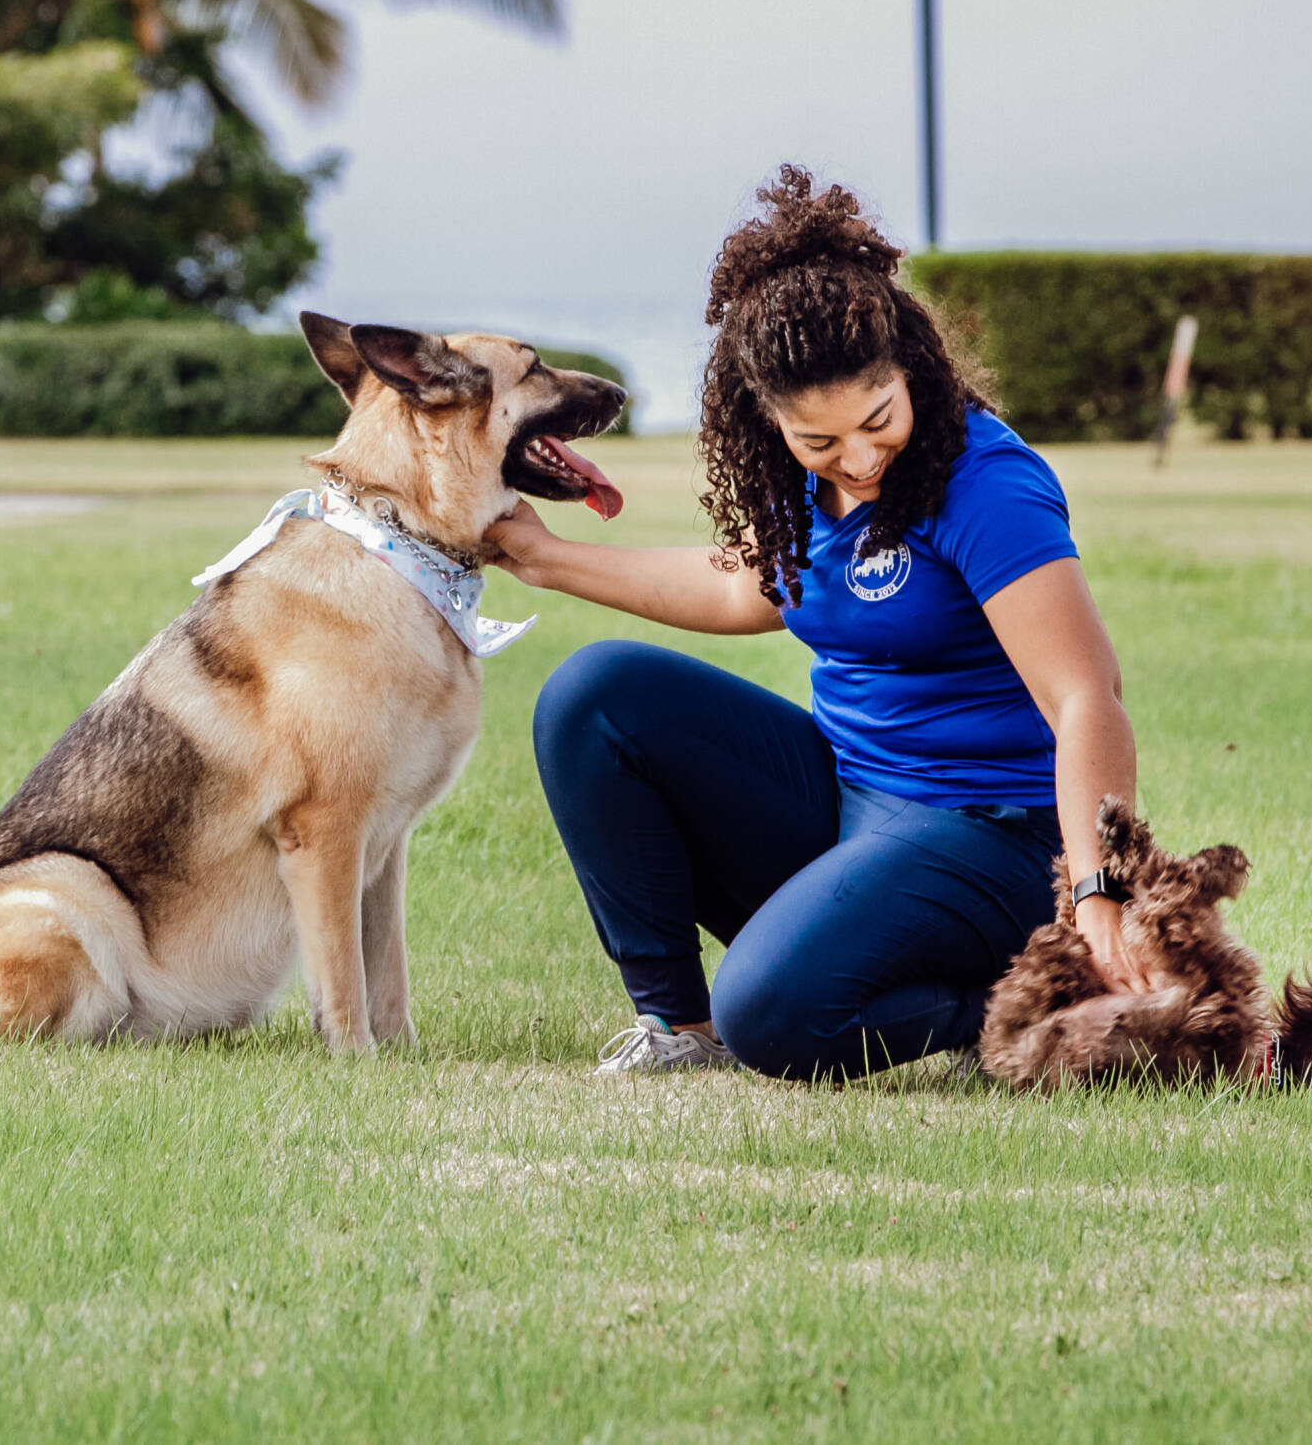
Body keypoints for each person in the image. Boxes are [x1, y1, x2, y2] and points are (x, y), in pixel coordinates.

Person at [487, 167, 1146, 1080]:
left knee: (772, 1011)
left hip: (994, 837)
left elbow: (1085, 695)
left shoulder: (986, 482)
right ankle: (681, 1027)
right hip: (852, 805)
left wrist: (1100, 894)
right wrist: (544, 556)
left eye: (879, 419)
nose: (863, 457)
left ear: (907, 368)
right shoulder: (801, 485)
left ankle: (1040, 1000)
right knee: (593, 699)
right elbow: (743, 590)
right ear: (772, 421)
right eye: (822, 441)